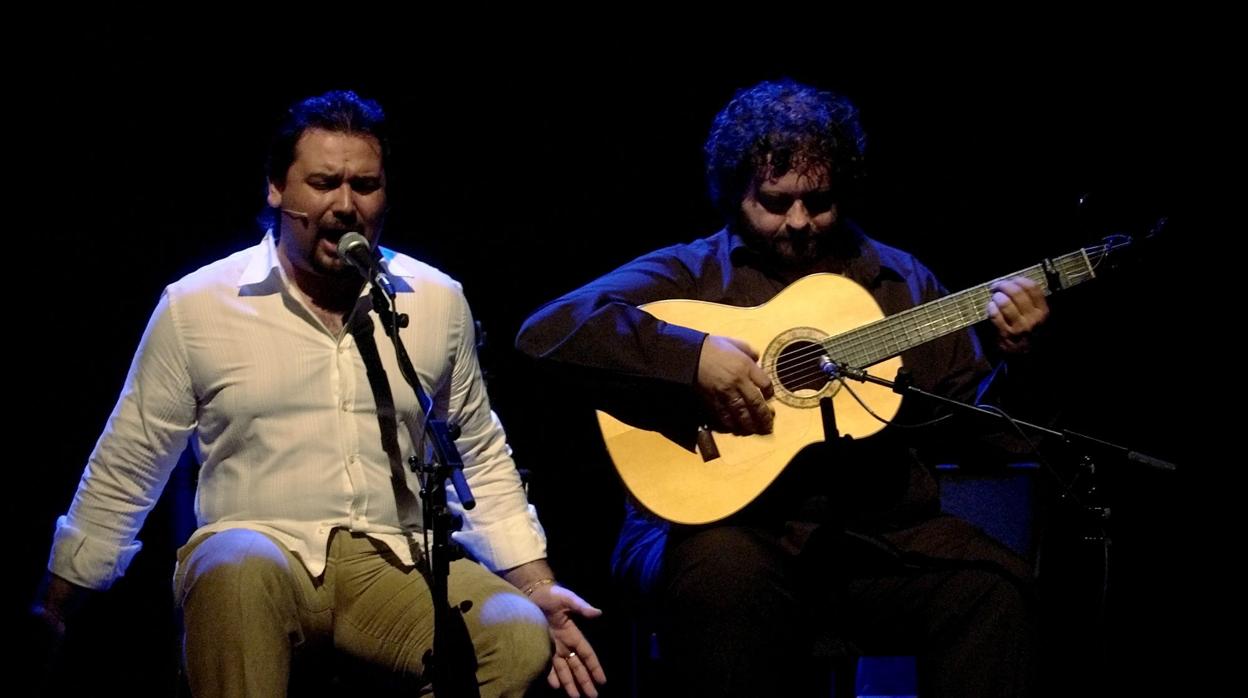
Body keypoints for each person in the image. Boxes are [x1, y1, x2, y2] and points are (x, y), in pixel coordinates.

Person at [33, 90, 606, 698]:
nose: (344, 205)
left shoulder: (434, 300)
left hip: (393, 563)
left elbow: (477, 452)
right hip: (258, 556)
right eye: (324, 182)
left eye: (364, 184)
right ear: (277, 190)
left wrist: (537, 588)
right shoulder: (197, 306)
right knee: (233, 567)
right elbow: (130, 460)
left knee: (515, 633)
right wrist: (57, 603)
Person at [516, 79, 1049, 697]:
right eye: (774, 202)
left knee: (997, 587)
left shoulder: (900, 284)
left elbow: (994, 439)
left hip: (873, 534)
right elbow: (547, 329)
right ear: (734, 191)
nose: (799, 222)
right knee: (724, 576)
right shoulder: (692, 274)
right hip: (718, 528)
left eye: (819, 202)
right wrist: (692, 358)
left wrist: (1021, 359)